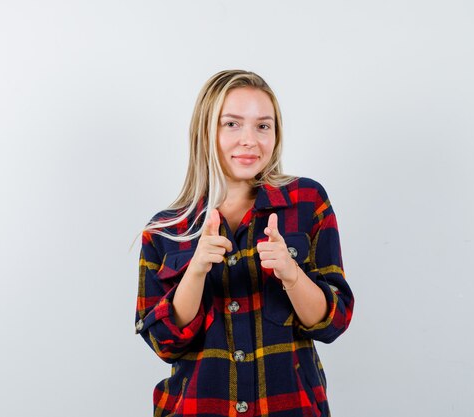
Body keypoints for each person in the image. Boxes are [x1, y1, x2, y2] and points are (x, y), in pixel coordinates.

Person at [134, 69, 354, 417]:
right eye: (232, 124)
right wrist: (195, 272)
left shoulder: (307, 200)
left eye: (263, 126)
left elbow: (334, 321)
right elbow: (164, 342)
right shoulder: (166, 230)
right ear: (206, 131)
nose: (250, 140)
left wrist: (291, 274)